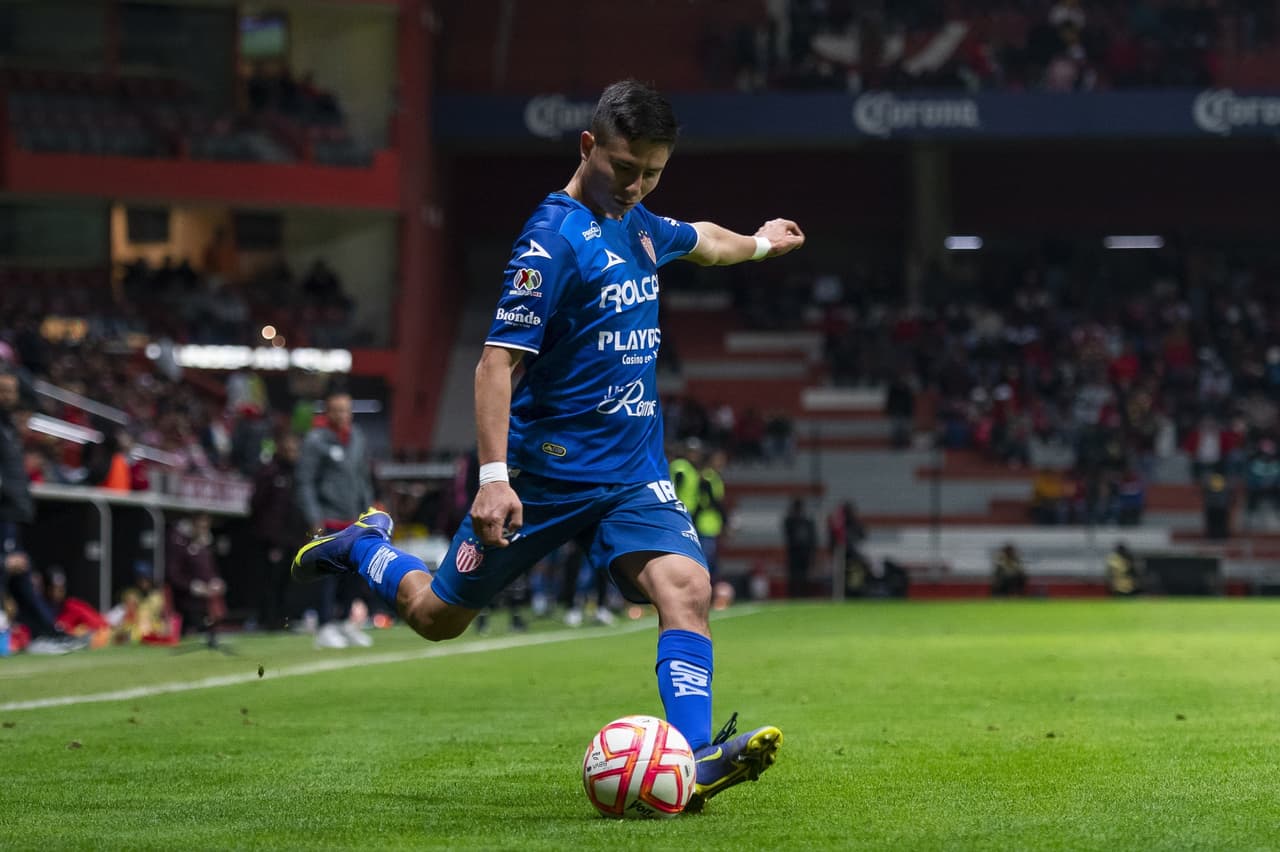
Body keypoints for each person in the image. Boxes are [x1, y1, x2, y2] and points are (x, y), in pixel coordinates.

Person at [293, 79, 803, 812]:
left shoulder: (640, 225)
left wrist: (759, 243)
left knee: (686, 590)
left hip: (632, 475)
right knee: (437, 619)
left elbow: (704, 241)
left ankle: (691, 762)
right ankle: (360, 546)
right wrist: (494, 478)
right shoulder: (551, 242)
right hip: (543, 482)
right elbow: (495, 364)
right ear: (588, 146)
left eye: (653, 172)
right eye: (625, 168)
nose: (636, 186)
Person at [296, 388, 377, 648]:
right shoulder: (315, 441)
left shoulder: (357, 437)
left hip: (354, 518)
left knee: (353, 575)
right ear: (328, 412)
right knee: (327, 578)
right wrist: (313, 516)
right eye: (338, 410)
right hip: (328, 518)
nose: (344, 415)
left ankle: (346, 623)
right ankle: (324, 626)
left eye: (347, 409)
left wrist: (369, 509)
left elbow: (363, 476)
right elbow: (305, 482)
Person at [782, 497, 817, 599]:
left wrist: (813, 555)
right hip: (794, 554)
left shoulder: (807, 522)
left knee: (805, 577)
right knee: (794, 577)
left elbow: (813, 539)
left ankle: (805, 596)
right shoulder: (791, 521)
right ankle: (794, 596)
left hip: (805, 554)